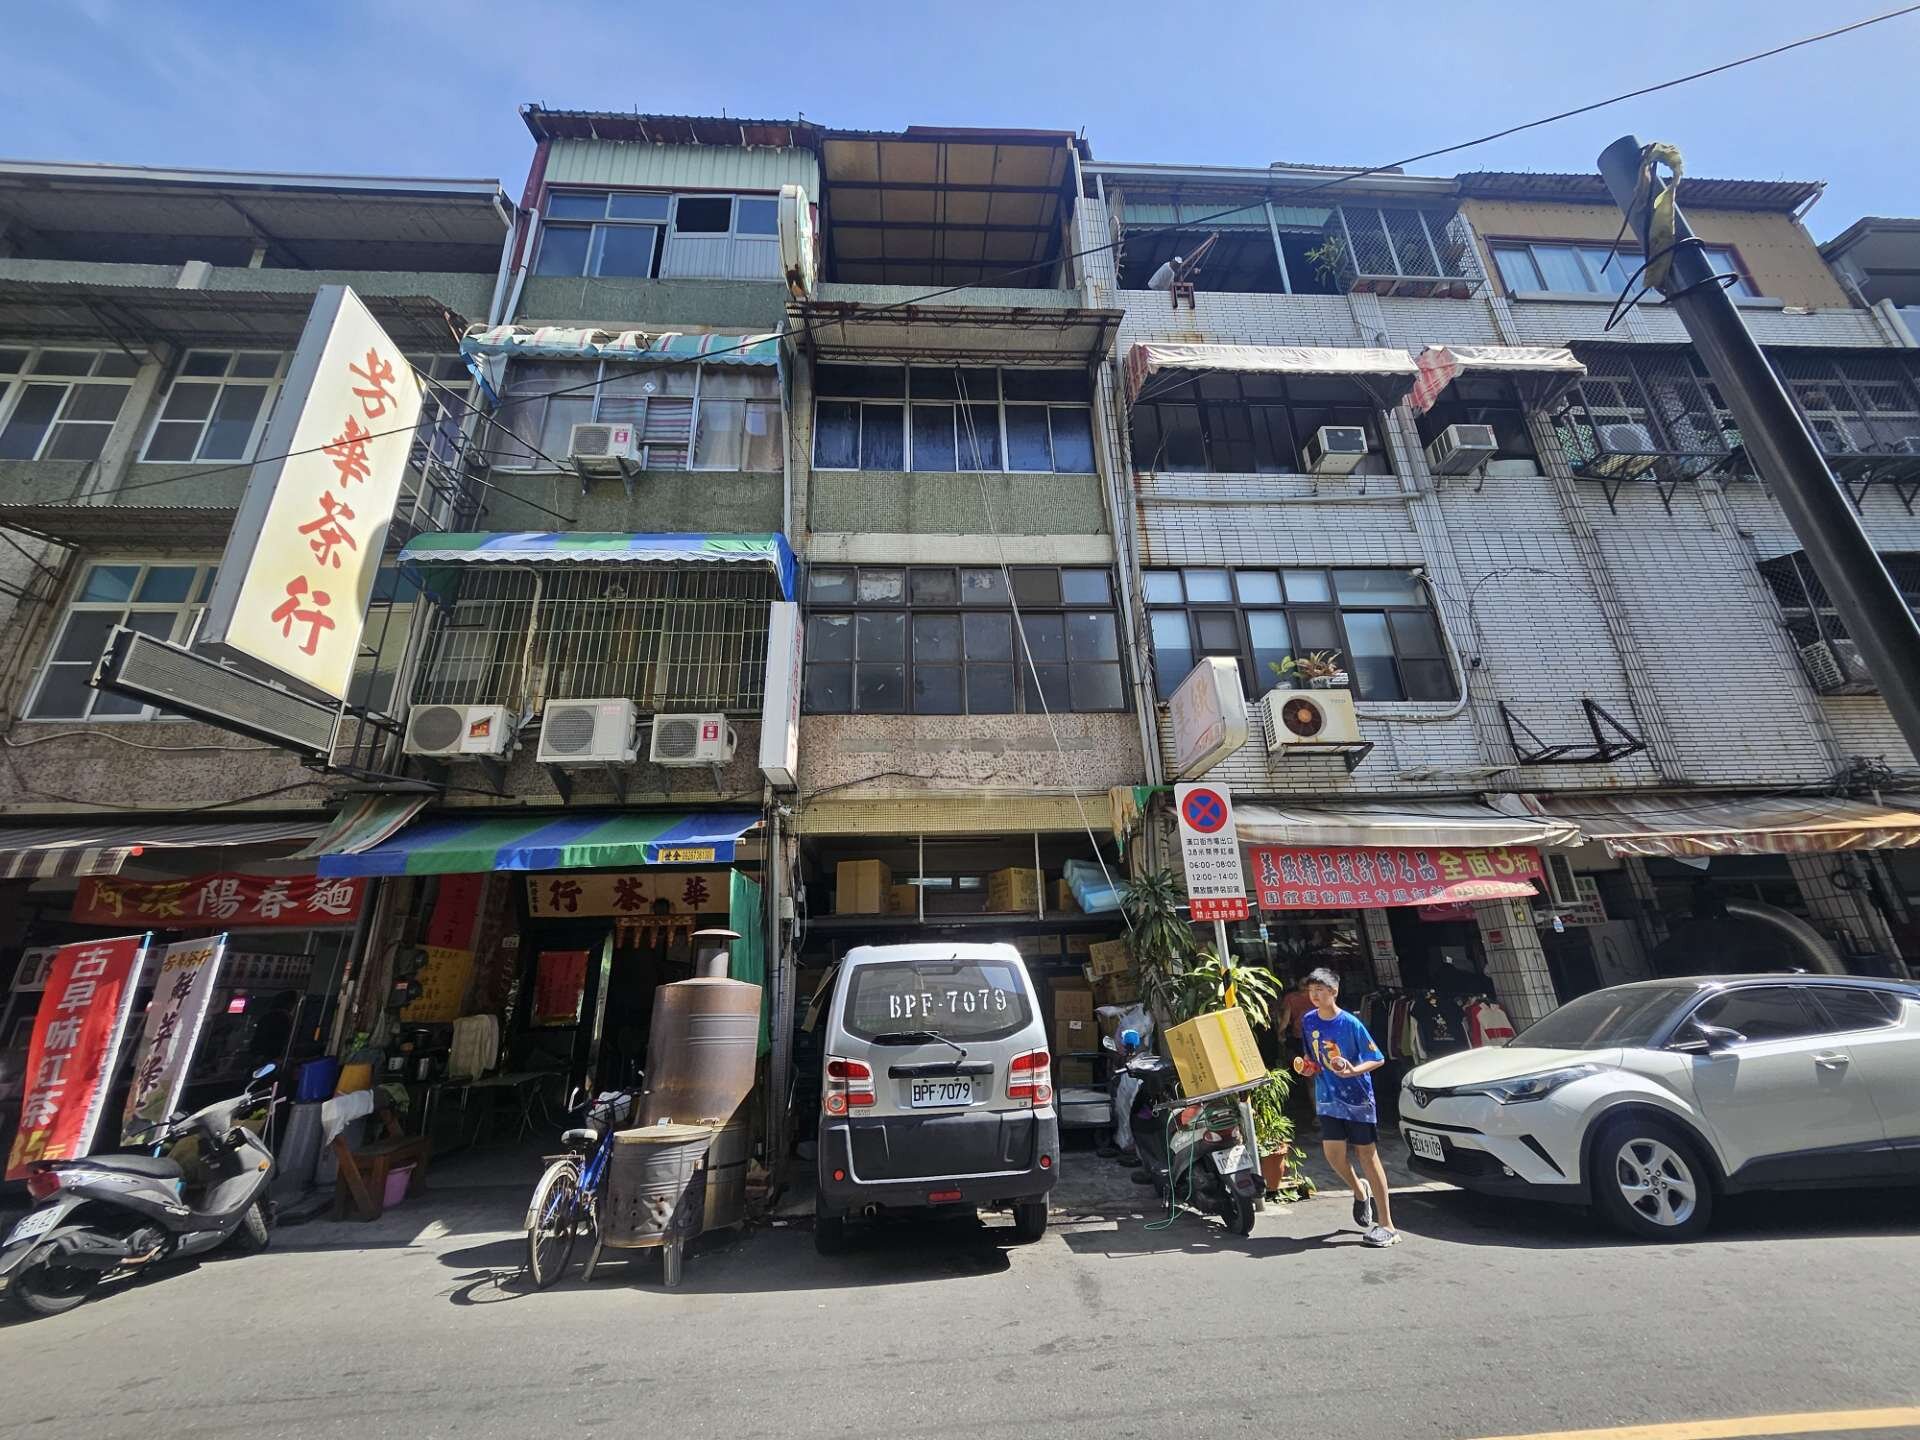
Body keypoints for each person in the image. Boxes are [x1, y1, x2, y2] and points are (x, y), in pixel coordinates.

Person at [1293, 967, 1401, 1247]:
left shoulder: (1350, 1023)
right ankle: (1359, 1190)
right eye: (1311, 991)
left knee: (1367, 1155)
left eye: (1320, 990)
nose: (1314, 996)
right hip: (1327, 1098)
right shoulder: (1308, 1021)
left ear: (1334, 991)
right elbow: (1311, 1057)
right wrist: (1307, 1068)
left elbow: (1377, 1057)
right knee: (1333, 1155)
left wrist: (1354, 1070)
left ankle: (1388, 1225)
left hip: (1358, 1100)